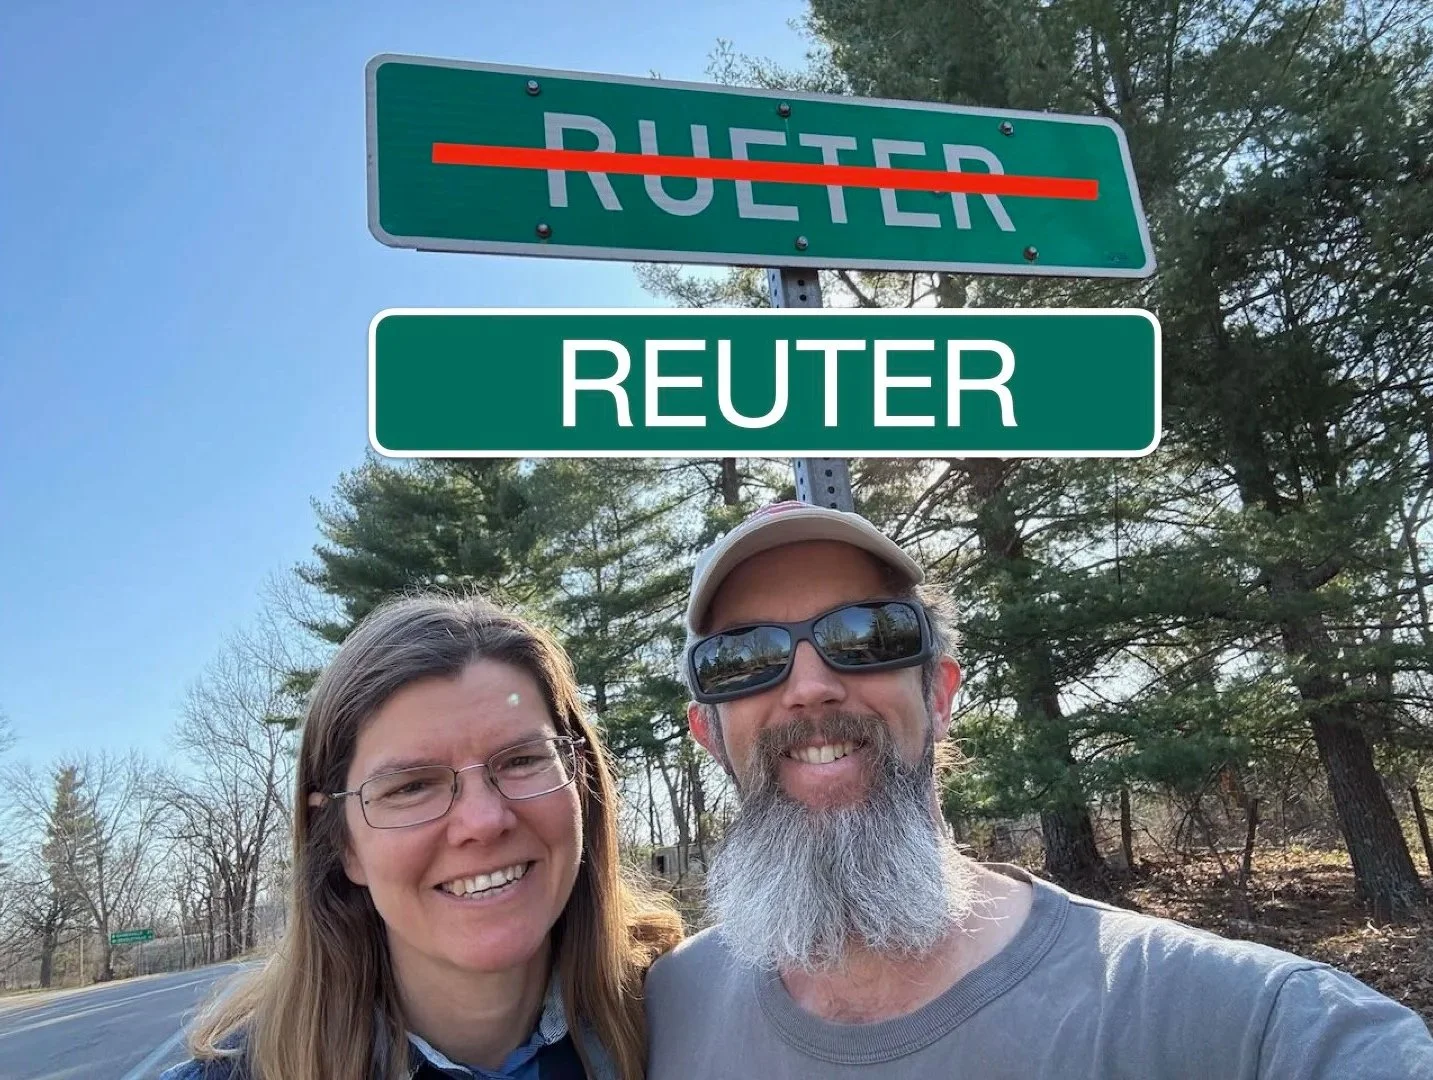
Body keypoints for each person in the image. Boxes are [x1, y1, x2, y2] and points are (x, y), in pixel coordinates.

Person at [645, 501, 1433, 1079]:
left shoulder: (1230, 1021)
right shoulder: (667, 1006)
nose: (810, 687)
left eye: (869, 635)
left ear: (942, 693)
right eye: (743, 659)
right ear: (708, 732)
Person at [164, 594, 682, 1080]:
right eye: (412, 787)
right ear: (343, 842)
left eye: (523, 760)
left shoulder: (697, 1020)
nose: (483, 820)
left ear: (581, 780)